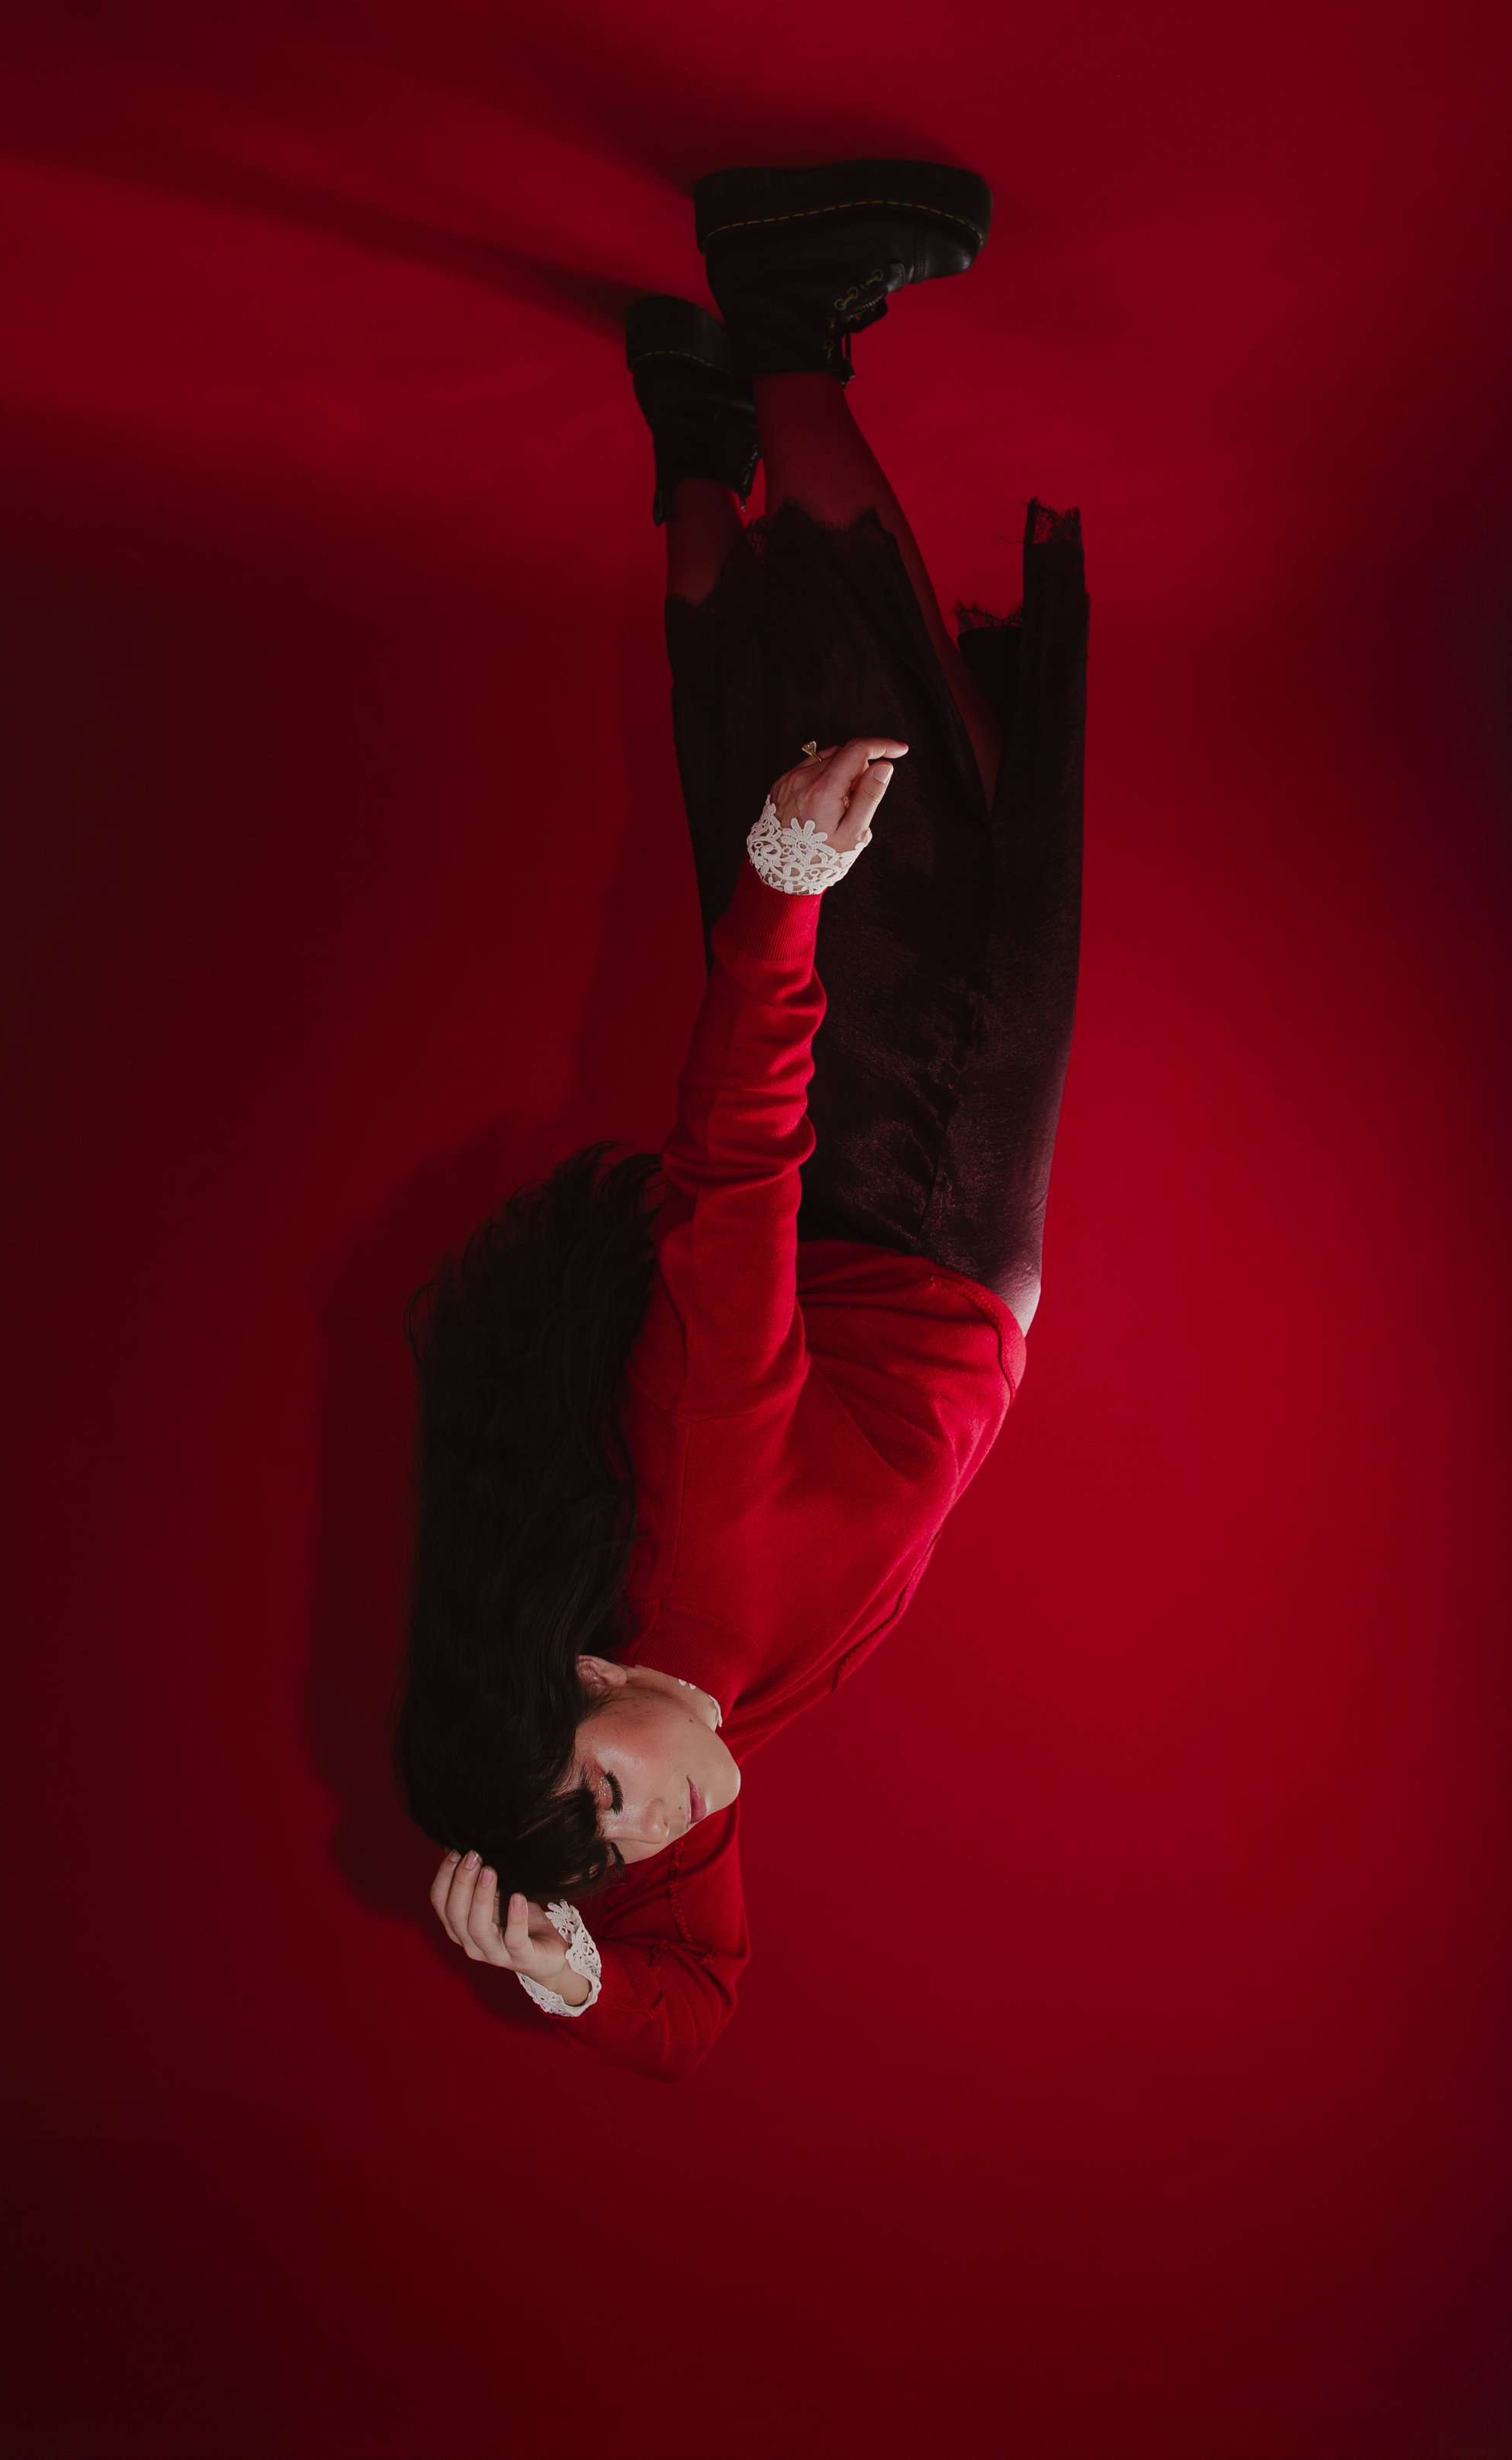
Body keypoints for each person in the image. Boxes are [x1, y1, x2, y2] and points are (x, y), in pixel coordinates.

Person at [397, 160, 1089, 2078]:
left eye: (604, 1811)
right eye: (612, 1843)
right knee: (754, 765)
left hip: (911, 1172)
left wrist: (789, 896)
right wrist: (567, 1971)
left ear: (586, 1675)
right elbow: (699, 2013)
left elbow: (731, 1185)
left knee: (924, 783)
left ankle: (789, 317)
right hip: (923, 1221)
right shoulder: (684, 1740)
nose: (659, 1835)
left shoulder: (685, 1530)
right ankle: (696, 424)